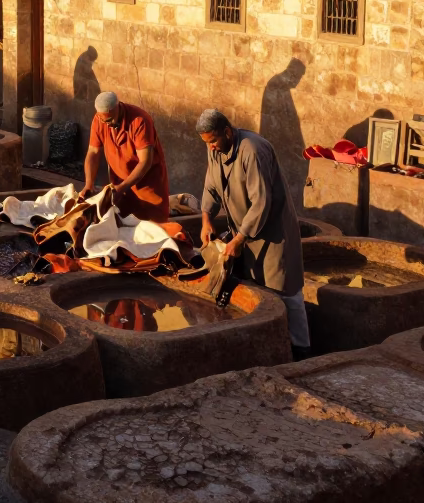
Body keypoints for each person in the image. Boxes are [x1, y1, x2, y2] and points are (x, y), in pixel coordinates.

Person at [195, 108, 311, 360]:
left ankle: (301, 349)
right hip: (244, 232)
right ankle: (270, 345)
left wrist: (239, 238)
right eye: (207, 143)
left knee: (286, 290)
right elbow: (211, 186)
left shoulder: (253, 150)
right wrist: (206, 218)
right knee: (256, 289)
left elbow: (261, 202)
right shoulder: (214, 148)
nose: (211, 147)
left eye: (213, 140)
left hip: (272, 232)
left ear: (227, 131)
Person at [80, 91, 170, 221]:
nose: (107, 124)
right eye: (103, 121)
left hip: (146, 185)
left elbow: (145, 161)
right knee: (120, 225)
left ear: (118, 107)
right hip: (119, 185)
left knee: (153, 228)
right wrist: (89, 184)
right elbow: (93, 152)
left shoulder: (140, 120)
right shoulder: (100, 120)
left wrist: (123, 187)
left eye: (110, 120)